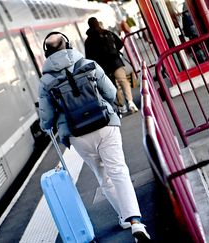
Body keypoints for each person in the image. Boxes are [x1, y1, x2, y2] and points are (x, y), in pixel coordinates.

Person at [38, 32, 151, 242]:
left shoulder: (45, 81)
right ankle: (136, 221)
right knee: (118, 170)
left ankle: (125, 218)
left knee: (103, 176)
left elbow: (46, 117)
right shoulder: (89, 64)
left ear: (46, 53)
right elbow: (109, 92)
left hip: (77, 134)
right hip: (105, 124)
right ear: (69, 45)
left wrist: (48, 126)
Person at [84, 17, 138, 114]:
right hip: (116, 62)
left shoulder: (88, 41)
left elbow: (89, 58)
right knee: (123, 81)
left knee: (112, 86)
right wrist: (117, 53)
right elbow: (120, 45)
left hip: (103, 67)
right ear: (98, 23)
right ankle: (130, 102)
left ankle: (122, 106)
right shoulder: (107, 33)